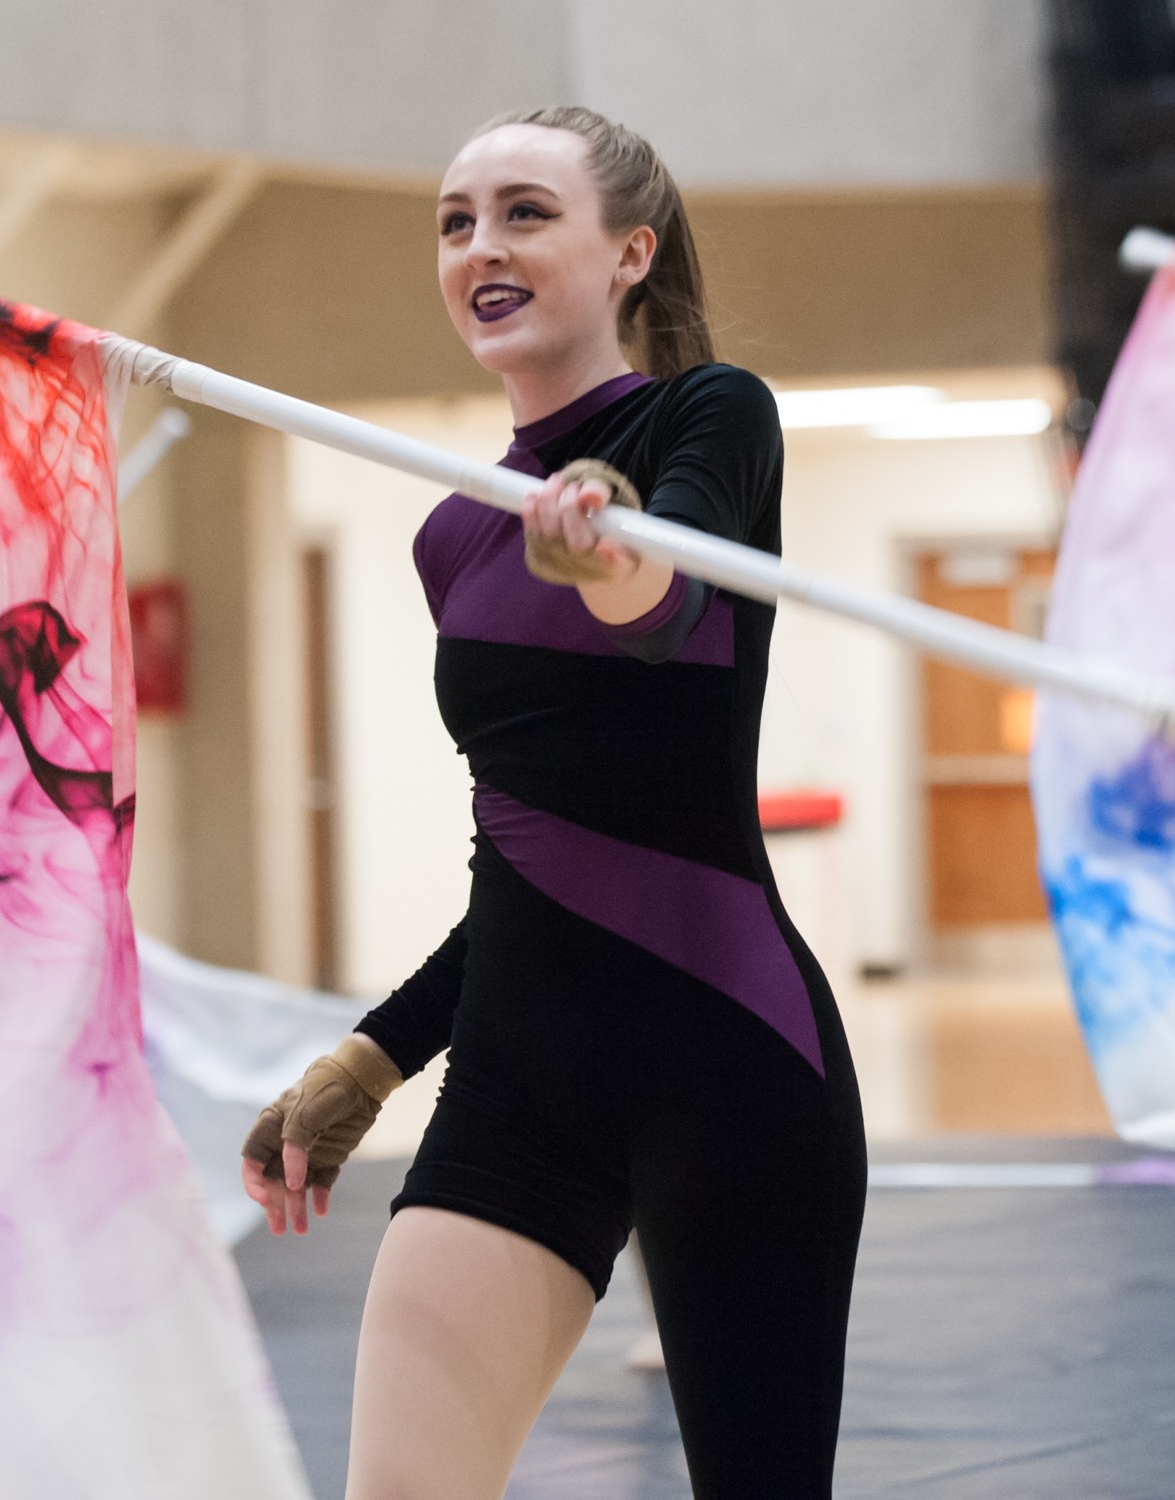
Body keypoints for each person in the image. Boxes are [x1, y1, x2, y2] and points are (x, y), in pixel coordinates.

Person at [241, 105, 867, 1500]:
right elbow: (528, 863)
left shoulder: (709, 415)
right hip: (522, 1083)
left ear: (630, 252)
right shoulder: (452, 532)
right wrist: (371, 1060)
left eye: (526, 213)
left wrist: (610, 548)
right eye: (456, 222)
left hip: (728, 1065)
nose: (482, 246)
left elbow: (673, 597)